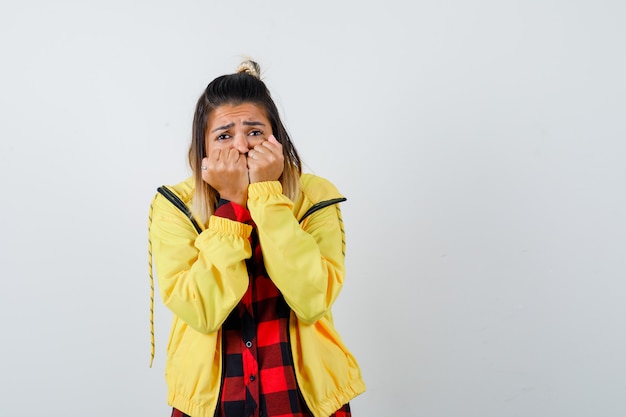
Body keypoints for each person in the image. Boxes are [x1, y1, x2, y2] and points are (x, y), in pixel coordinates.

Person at [148, 59, 365, 417]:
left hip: (304, 398)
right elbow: (200, 310)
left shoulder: (315, 195)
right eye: (223, 136)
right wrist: (232, 204)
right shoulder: (175, 205)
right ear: (202, 149)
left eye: (254, 132)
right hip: (211, 403)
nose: (242, 147)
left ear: (275, 138)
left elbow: (313, 299)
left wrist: (266, 196)